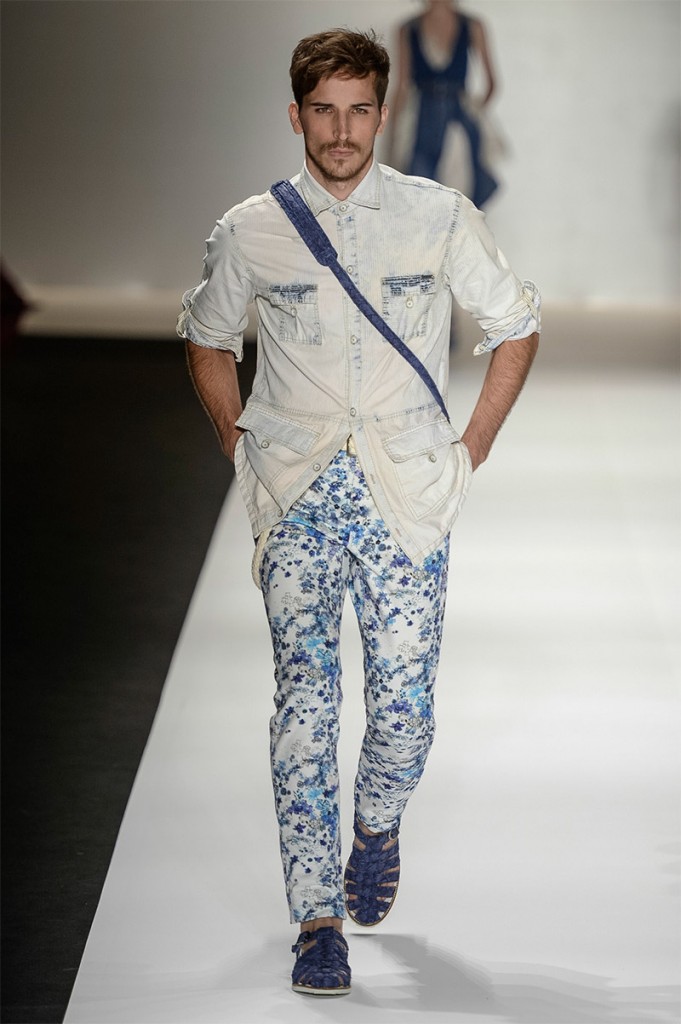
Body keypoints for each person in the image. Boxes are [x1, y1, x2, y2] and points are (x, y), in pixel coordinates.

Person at [177, 27, 539, 998]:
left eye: (359, 111)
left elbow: (515, 325)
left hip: (405, 493)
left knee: (406, 714)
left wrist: (471, 448)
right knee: (305, 704)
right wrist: (240, 447)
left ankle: (375, 824)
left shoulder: (438, 216)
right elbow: (206, 337)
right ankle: (316, 919)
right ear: (296, 116)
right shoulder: (250, 228)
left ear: (384, 113)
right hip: (297, 493)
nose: (341, 132)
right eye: (323, 112)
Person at [391, 0, 500, 207]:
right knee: (420, 186)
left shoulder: (472, 26)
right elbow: (402, 86)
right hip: (423, 117)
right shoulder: (408, 29)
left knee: (464, 183)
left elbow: (492, 84)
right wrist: (393, 132)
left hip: (457, 114)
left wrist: (476, 113)